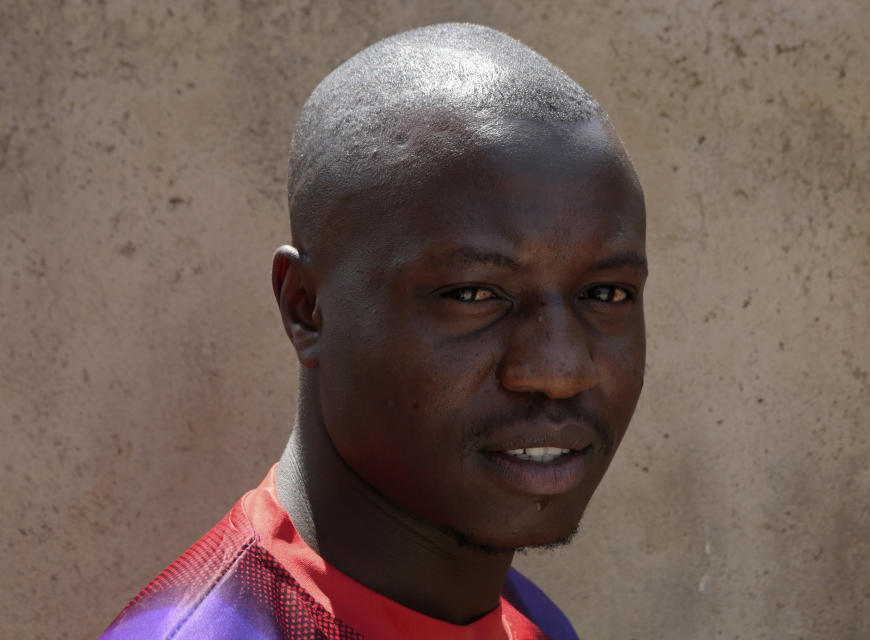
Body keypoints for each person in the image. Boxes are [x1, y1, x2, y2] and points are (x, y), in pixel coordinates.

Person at [101, 22, 647, 640]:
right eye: (473, 294)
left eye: (606, 294)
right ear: (306, 308)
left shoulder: (524, 619)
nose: (560, 369)